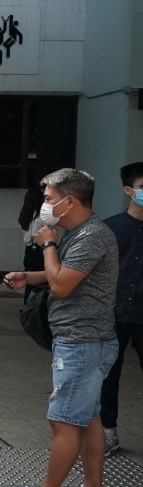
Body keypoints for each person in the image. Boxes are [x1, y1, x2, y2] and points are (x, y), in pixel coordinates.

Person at [1, 168, 119, 487]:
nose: (45, 207)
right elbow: (63, 275)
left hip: (83, 343)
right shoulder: (80, 233)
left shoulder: (91, 236)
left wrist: (48, 244)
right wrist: (29, 276)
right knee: (89, 418)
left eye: (50, 200)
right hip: (87, 341)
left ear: (70, 200)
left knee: (64, 420)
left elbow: (64, 285)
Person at [100, 162, 143, 457]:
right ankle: (107, 432)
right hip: (113, 314)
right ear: (128, 191)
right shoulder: (110, 228)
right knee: (107, 375)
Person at [18, 185, 47, 302]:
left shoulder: (24, 216)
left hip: (29, 250)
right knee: (42, 282)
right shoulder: (42, 216)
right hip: (40, 251)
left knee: (29, 282)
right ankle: (38, 309)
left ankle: (27, 308)